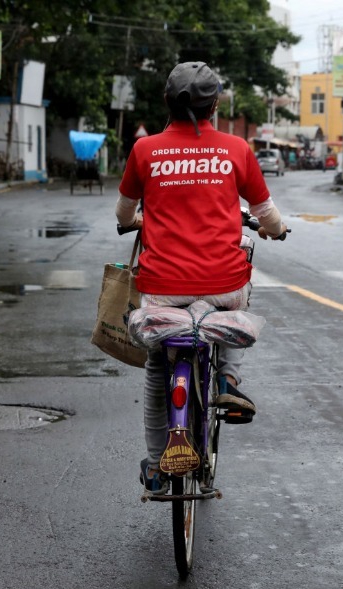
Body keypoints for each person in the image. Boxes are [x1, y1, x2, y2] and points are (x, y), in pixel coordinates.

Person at [115, 62, 288, 494]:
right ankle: (228, 379)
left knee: (158, 365)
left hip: (162, 290)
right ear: (216, 104)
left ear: (167, 102)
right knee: (238, 294)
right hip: (222, 285)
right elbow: (266, 215)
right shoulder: (236, 148)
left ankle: (157, 465)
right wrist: (276, 230)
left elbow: (123, 211)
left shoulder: (145, 150)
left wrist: (135, 219)